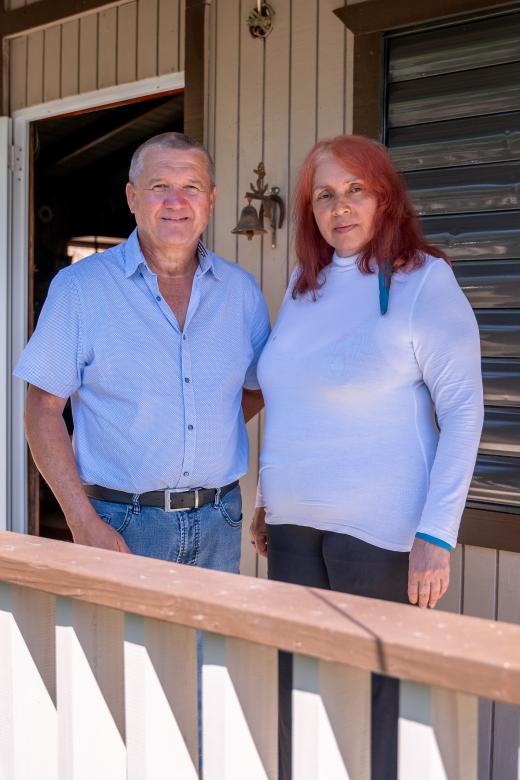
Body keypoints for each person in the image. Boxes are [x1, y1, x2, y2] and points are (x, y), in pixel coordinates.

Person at [250, 135, 484, 780]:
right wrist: (270, 500)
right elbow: (293, 399)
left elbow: (464, 412)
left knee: (380, 717)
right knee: (300, 704)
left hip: (381, 538)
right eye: (325, 195)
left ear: (385, 198)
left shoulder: (424, 281)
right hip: (294, 533)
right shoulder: (307, 285)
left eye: (356, 190)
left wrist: (437, 533)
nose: (340, 207)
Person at [15, 131, 269, 577]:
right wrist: (81, 520)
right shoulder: (81, 289)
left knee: (207, 649)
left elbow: (258, 388)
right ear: (133, 198)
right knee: (119, 649)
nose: (176, 201)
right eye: (159, 187)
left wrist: (195, 429)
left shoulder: (241, 293)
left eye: (190, 187)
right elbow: (41, 409)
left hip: (219, 519)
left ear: (210, 199)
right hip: (121, 522)